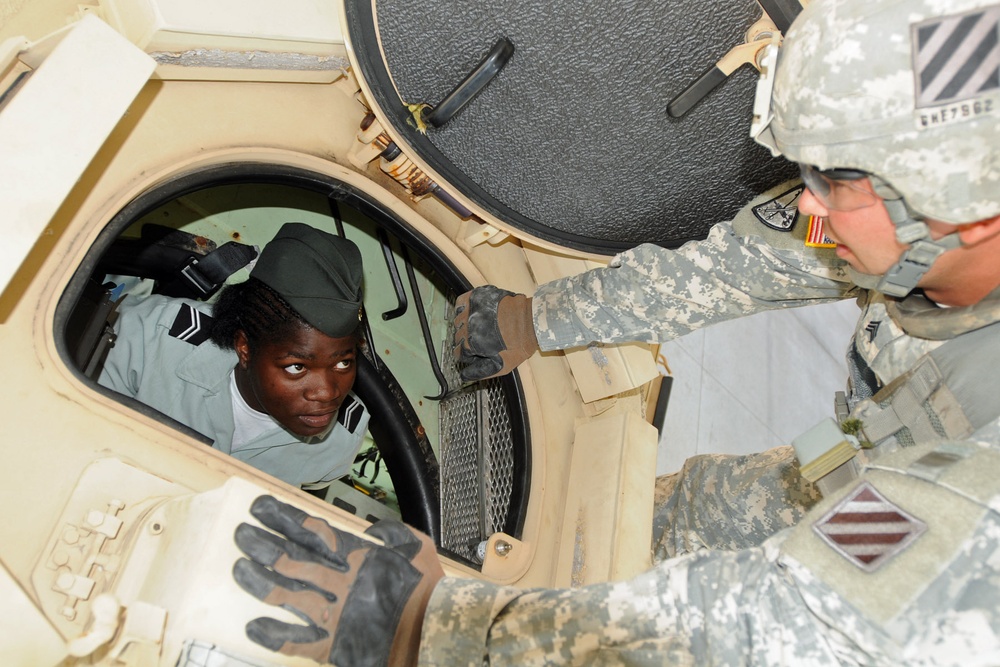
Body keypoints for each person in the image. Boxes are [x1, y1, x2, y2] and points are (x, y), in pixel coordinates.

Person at [230, 0, 1000, 663]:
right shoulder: (878, 218)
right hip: (853, 462)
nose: (808, 210)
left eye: (835, 183)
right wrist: (535, 319)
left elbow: (785, 628)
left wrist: (428, 628)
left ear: (969, 217)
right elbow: (739, 266)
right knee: (671, 515)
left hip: (887, 586)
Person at [99, 222, 371, 490]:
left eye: (343, 362)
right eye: (297, 367)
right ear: (245, 348)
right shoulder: (151, 338)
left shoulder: (342, 440)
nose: (326, 393)